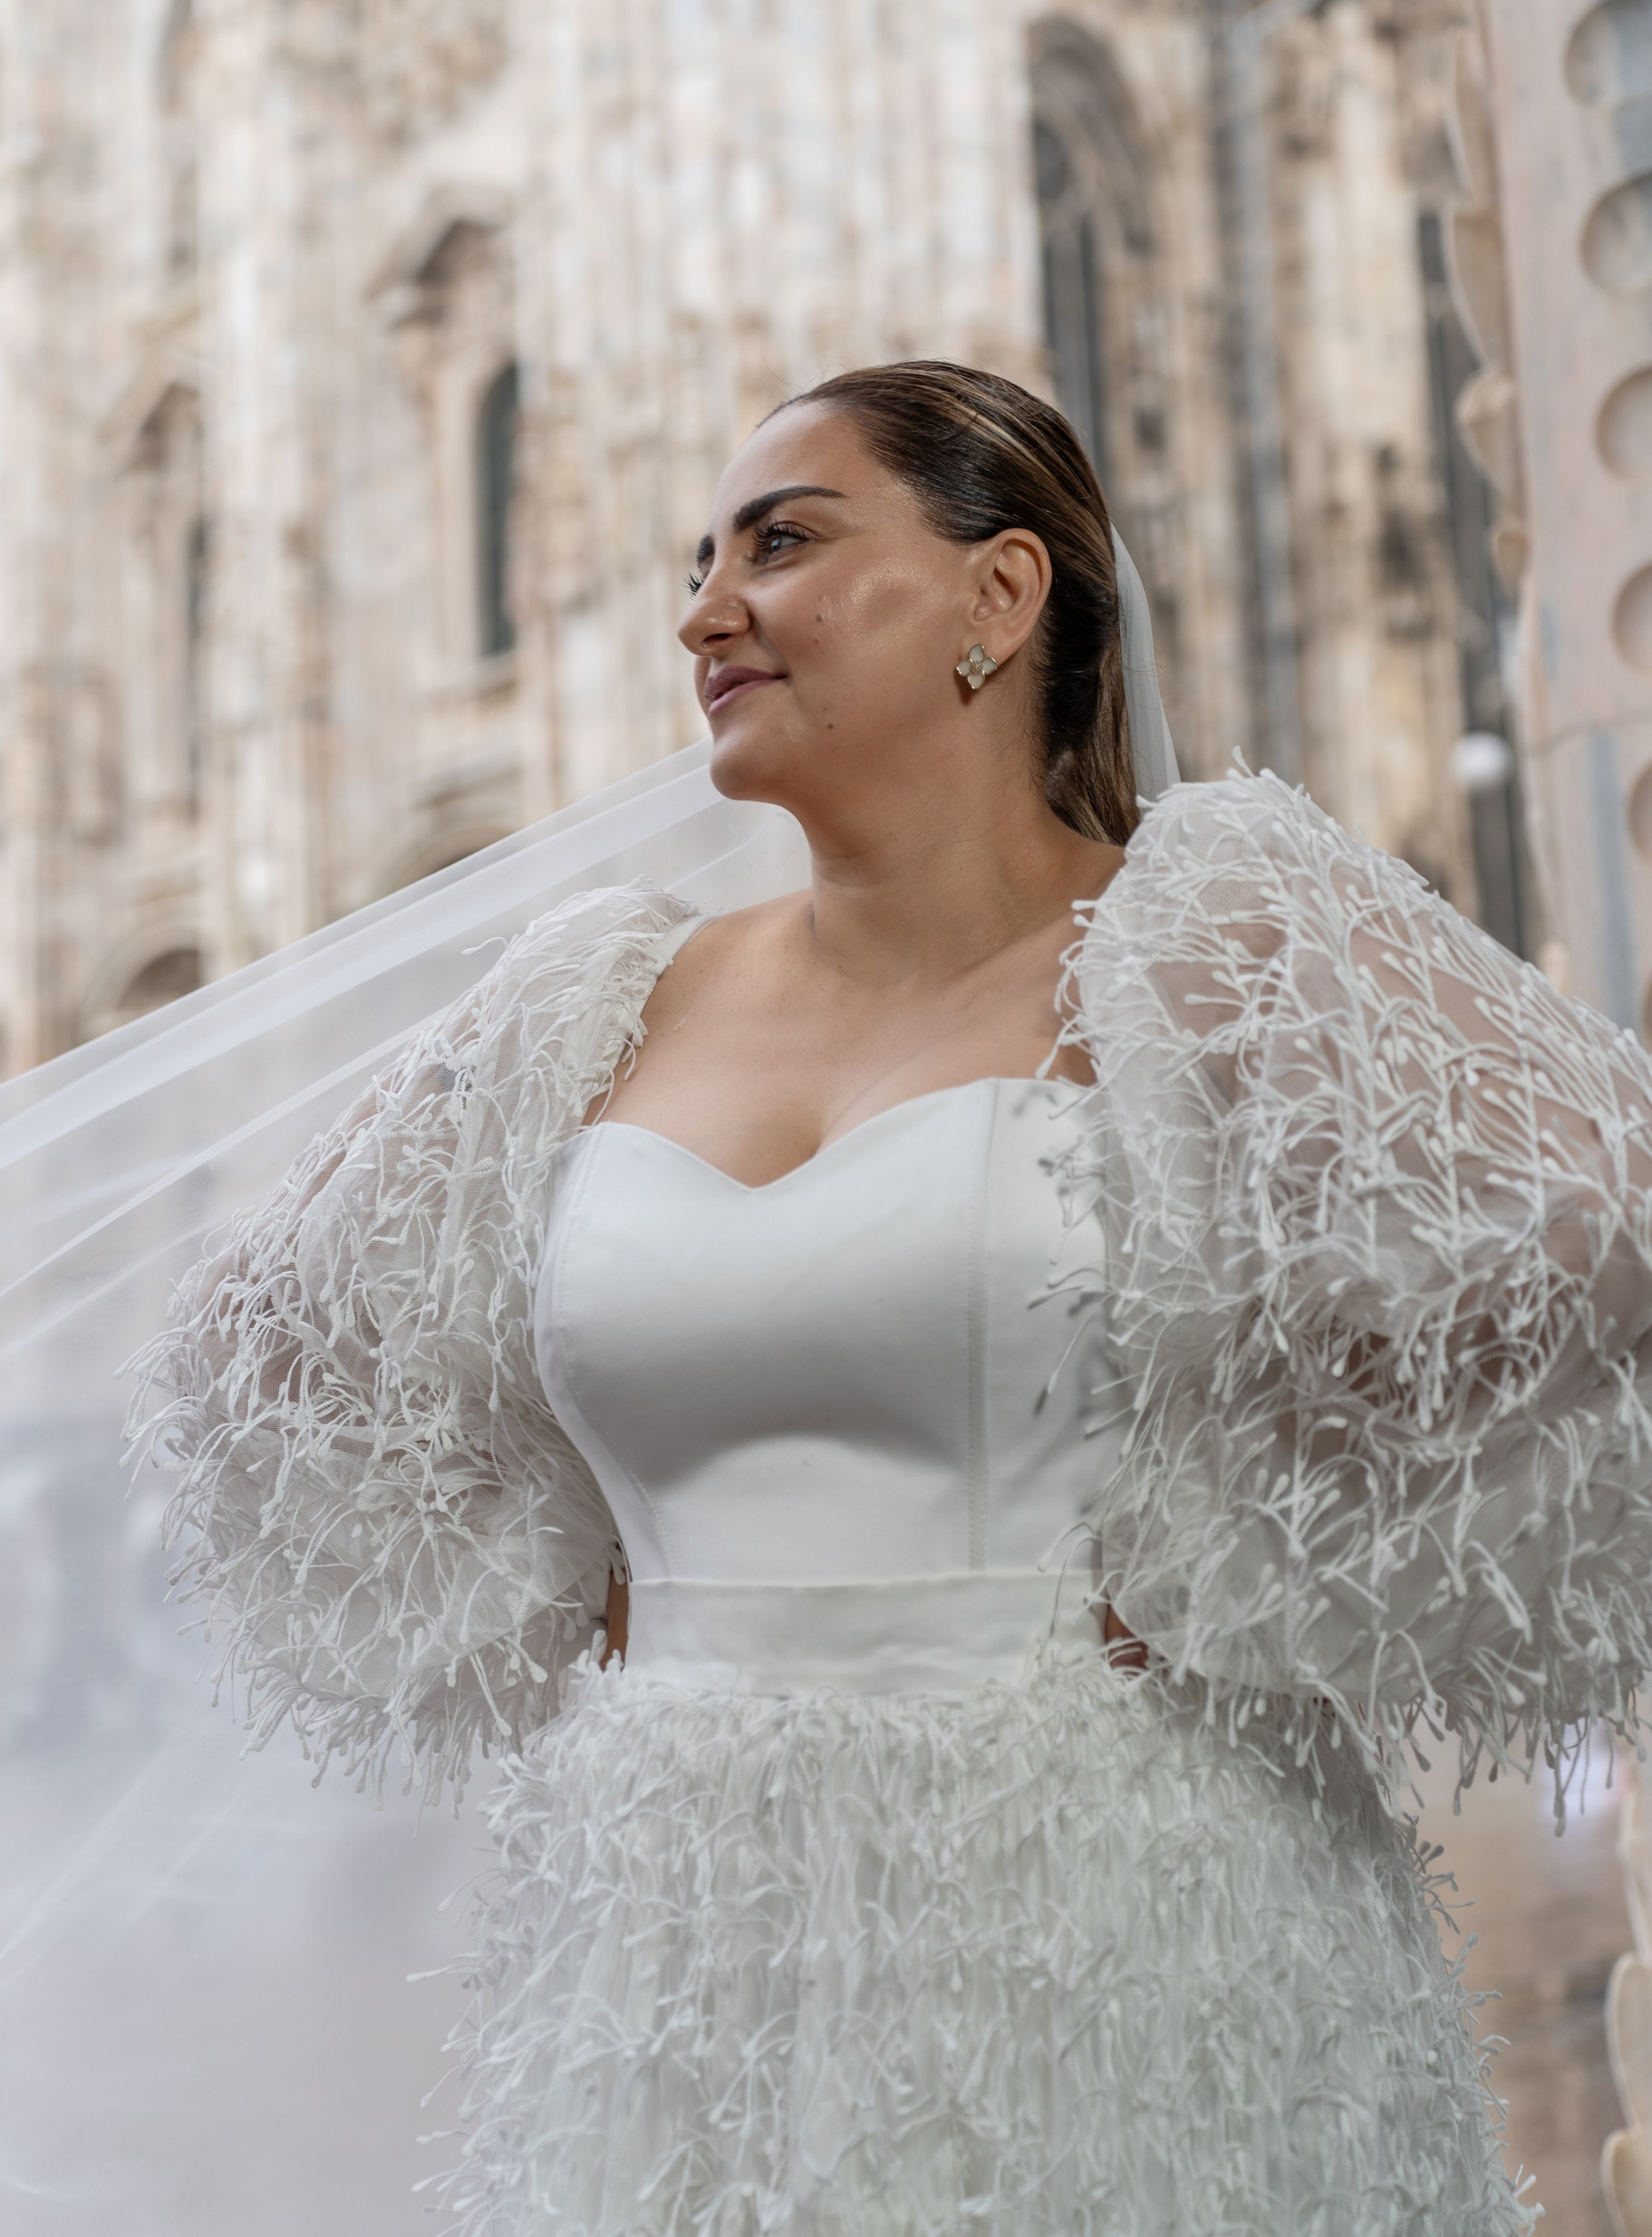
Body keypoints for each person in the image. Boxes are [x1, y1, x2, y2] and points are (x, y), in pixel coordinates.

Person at [130, 361, 1652, 2235]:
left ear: (1001, 601)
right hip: (684, 1924)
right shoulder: (599, 994)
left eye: (783, 542)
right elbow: (250, 1352)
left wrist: (1236, 1513)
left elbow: (1603, 1209)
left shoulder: (1201, 928)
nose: (705, 611)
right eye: (703, 560)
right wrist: (568, 1541)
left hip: (1118, 1888)